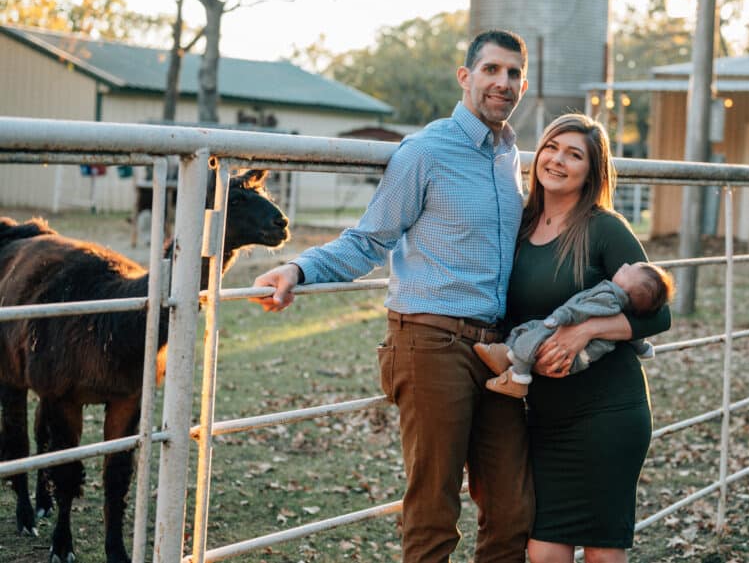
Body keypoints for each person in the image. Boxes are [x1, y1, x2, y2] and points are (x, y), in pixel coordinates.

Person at [250, 30, 534, 563]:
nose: (503, 82)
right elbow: (369, 239)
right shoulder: (425, 152)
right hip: (431, 343)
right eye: (492, 69)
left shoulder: (508, 156)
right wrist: (298, 267)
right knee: (433, 510)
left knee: (512, 507)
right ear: (465, 77)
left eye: (514, 73)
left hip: (499, 353)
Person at [505, 113, 671, 563]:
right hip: (547, 415)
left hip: (609, 413)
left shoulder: (604, 228)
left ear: (591, 170)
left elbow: (659, 316)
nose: (558, 160)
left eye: (574, 155)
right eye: (553, 147)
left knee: (601, 550)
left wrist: (588, 329)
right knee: (543, 551)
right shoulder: (517, 225)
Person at [474, 260, 673, 397]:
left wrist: (562, 319)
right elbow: (636, 335)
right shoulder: (620, 301)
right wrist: (643, 348)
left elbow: (581, 309)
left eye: (628, 270)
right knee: (531, 329)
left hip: (580, 364)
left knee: (537, 333)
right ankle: (508, 356)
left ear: (627, 289)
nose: (625, 264)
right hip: (578, 364)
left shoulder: (609, 297)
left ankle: (518, 377)